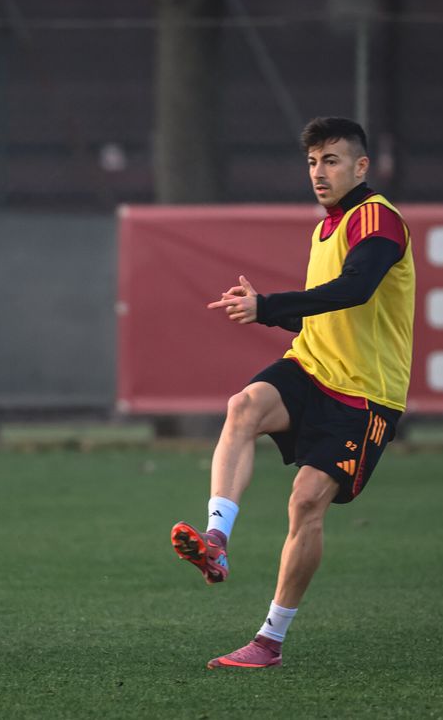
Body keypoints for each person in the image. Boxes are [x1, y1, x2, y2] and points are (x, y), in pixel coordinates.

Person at [170, 117, 414, 668]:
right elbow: (329, 317)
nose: (319, 172)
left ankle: (269, 641)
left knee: (305, 503)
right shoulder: (326, 226)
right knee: (243, 407)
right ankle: (216, 539)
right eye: (312, 162)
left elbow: (356, 290)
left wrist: (268, 308)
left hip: (365, 396)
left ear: (361, 166)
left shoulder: (376, 218)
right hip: (312, 367)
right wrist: (272, 316)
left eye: (331, 160)